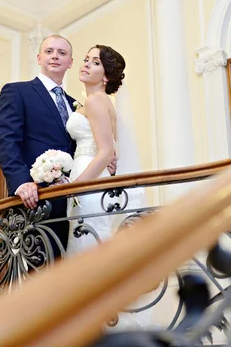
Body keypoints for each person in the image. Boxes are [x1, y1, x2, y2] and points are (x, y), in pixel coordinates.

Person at [0, 35, 116, 259]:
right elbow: (7, 140)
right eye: (49, 51)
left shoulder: (77, 104)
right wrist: (21, 182)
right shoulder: (17, 91)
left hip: (71, 201)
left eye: (62, 53)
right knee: (39, 275)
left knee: (69, 266)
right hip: (35, 201)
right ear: (39, 57)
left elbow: (96, 142)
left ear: (70, 62)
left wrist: (108, 155)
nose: (55, 56)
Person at [66, 44, 154, 331]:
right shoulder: (97, 101)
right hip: (93, 177)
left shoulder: (95, 102)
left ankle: (93, 326)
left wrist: (73, 188)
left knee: (87, 245)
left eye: (95, 62)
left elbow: (104, 152)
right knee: (90, 243)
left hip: (88, 182)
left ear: (106, 76)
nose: (85, 65)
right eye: (86, 59)